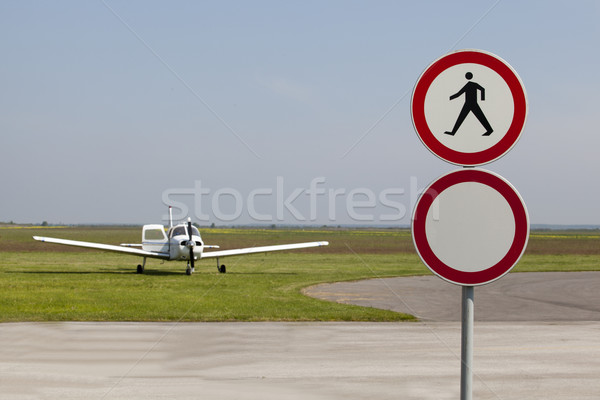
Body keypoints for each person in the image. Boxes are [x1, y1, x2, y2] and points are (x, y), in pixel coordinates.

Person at [444, 72, 493, 136]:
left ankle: (489, 130)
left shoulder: (469, 85)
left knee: (480, 117)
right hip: (468, 103)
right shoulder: (472, 84)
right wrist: (449, 98)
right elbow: (482, 89)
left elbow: (458, 94)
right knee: (461, 118)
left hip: (472, 103)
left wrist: (450, 98)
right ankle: (453, 132)